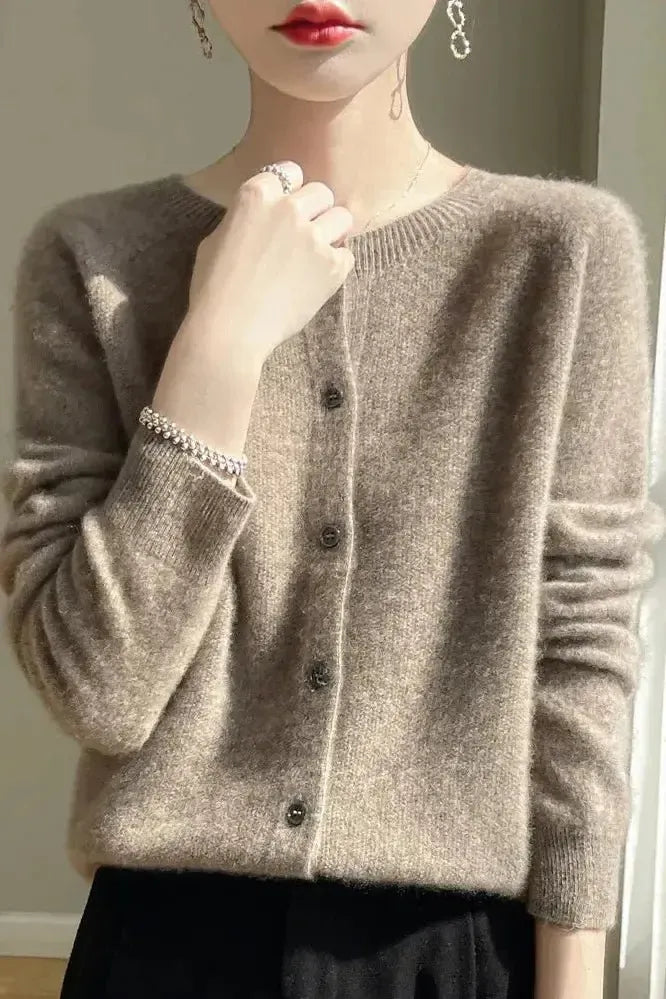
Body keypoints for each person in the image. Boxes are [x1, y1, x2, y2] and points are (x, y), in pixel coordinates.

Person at [1, 0, 663, 996]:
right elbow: (96, 689)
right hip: (161, 947)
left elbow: (582, 651)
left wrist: (572, 981)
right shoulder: (91, 259)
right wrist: (217, 345)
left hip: (449, 951)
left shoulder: (564, 253)